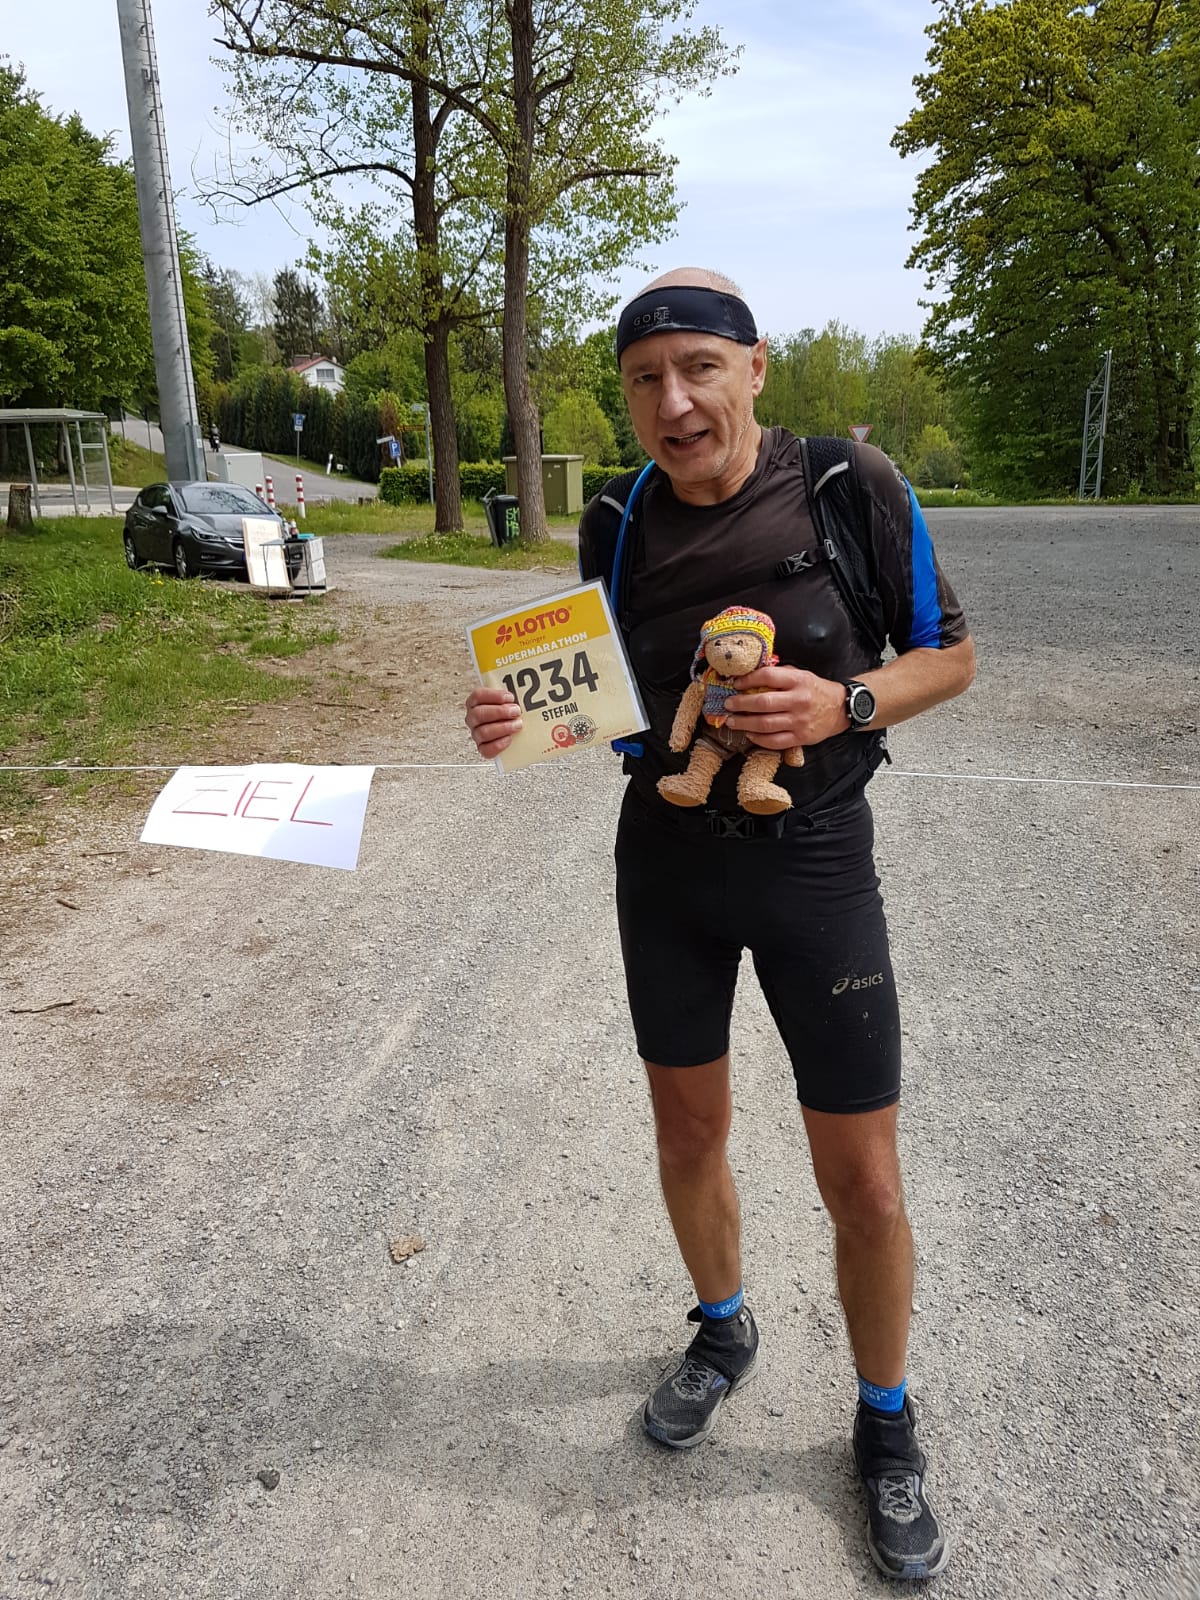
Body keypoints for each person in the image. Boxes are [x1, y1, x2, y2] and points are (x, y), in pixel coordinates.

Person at [464, 269, 976, 1582]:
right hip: (668, 865)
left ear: (755, 368)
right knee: (688, 1132)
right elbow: (604, 707)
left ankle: (884, 1418)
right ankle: (723, 1327)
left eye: (699, 368)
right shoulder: (616, 518)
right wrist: (517, 720)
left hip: (817, 865)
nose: (675, 402)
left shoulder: (852, 484)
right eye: (646, 379)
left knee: (864, 1179)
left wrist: (844, 705)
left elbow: (952, 656)